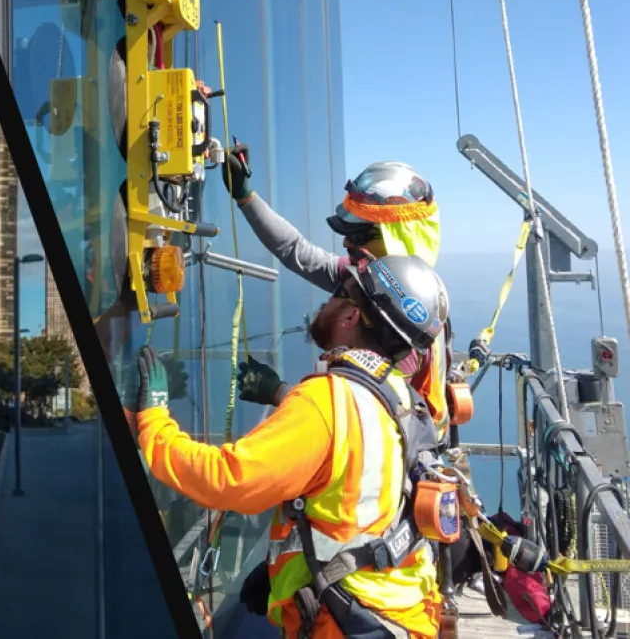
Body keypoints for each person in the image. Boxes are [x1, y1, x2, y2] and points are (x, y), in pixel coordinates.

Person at [132, 253, 452, 639]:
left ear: (351, 316)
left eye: (339, 291)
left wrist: (154, 420)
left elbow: (229, 480)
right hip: (404, 615)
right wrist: (284, 570)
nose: (327, 300)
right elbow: (365, 509)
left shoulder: (327, 400)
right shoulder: (403, 399)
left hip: (349, 624)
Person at [223, 151, 473, 439]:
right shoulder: (373, 282)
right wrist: (245, 197)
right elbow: (296, 251)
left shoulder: (399, 325)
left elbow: (363, 420)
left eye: (358, 235)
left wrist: (278, 392)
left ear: (396, 237)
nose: (345, 242)